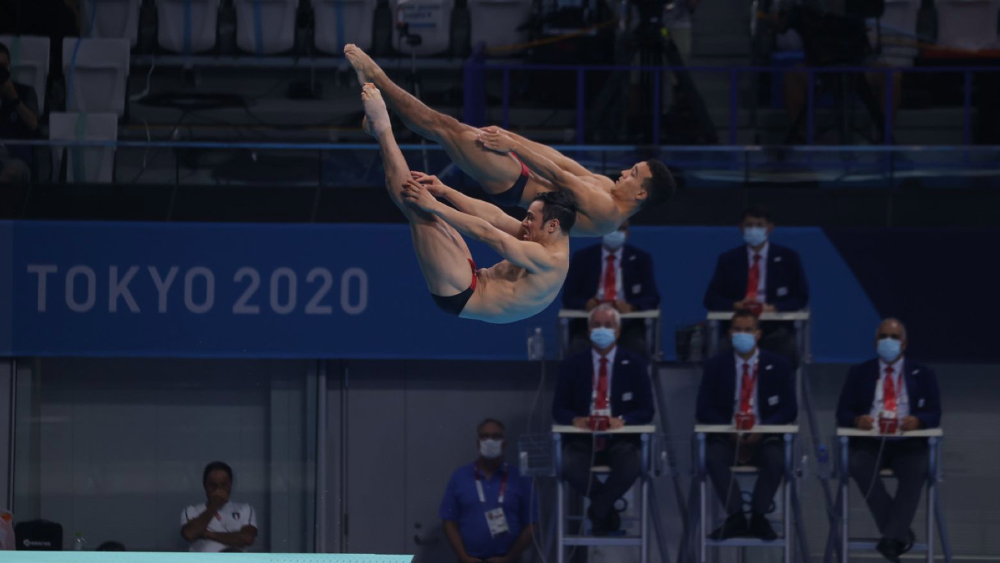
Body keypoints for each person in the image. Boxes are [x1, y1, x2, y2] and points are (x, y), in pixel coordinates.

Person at [343, 44, 675, 237]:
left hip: (512, 183)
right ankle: (377, 124)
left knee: (443, 126)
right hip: (522, 166)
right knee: (446, 128)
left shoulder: (606, 213)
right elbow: (559, 160)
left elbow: (559, 178)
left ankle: (378, 80)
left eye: (633, 174)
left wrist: (513, 147)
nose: (625, 173)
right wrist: (509, 137)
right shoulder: (604, 184)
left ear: (642, 193)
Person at [360, 83, 577, 323]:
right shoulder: (539, 238)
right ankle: (376, 131)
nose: (524, 223)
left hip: (463, 294)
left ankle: (382, 130)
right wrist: (445, 191)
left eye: (530, 218)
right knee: (425, 203)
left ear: (553, 225)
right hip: (473, 276)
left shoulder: (548, 260)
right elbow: (494, 217)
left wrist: (435, 205)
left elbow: (487, 233)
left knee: (416, 207)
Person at [836, 318, 941, 563]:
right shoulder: (860, 372)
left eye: (894, 338)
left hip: (907, 442)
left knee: (917, 468)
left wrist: (919, 420)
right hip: (871, 440)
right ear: (875, 342)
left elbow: (934, 413)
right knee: (858, 464)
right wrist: (857, 420)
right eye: (883, 336)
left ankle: (892, 535)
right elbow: (842, 413)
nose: (888, 342)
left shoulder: (923, 374)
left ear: (903, 344)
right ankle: (897, 533)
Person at [552, 304, 654, 535]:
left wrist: (624, 420)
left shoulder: (635, 364)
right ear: (588, 331)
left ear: (618, 332)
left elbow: (647, 410)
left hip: (618, 440)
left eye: (608, 325)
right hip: (584, 439)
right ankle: (605, 508)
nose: (602, 329)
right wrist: (575, 418)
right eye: (596, 325)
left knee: (632, 466)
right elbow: (558, 409)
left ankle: (598, 511)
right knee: (568, 466)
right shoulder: (572, 364)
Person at [695, 309, 797, 540]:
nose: (742, 335)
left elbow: (790, 409)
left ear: (758, 333)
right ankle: (737, 516)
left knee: (777, 459)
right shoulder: (716, 366)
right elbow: (703, 409)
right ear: (730, 333)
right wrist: (730, 429)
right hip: (727, 435)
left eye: (748, 330)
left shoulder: (779, 365)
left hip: (764, 435)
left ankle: (759, 517)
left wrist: (761, 429)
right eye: (738, 330)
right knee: (711, 457)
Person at [703, 205, 808, 364]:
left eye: (759, 225)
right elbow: (711, 299)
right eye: (749, 225)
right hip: (739, 327)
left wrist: (773, 308)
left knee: (786, 352)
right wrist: (736, 305)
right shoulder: (728, 259)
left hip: (775, 328)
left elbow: (801, 297)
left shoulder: (788, 258)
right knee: (720, 355)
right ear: (741, 227)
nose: (753, 229)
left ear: (770, 228)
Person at [440, 419, 538, 563]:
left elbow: (532, 524)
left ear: (504, 443)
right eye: (484, 436)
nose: (489, 441)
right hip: (469, 559)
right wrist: (464, 557)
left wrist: (509, 558)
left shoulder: (520, 478)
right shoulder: (460, 476)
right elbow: (448, 521)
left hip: (508, 560)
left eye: (495, 436)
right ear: (477, 443)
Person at [561, 221, 661, 355]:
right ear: (601, 232)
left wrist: (632, 307)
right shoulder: (583, 258)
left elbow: (652, 298)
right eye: (612, 228)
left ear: (627, 233)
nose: (616, 233)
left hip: (627, 324)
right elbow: (568, 297)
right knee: (578, 348)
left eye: (621, 229)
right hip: (589, 324)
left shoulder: (640, 259)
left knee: (637, 347)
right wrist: (585, 304)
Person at [180, 461, 258, 552]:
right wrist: (214, 505)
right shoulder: (191, 511)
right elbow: (190, 534)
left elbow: (247, 538)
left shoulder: (245, 509)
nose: (218, 490)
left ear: (231, 485)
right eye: (213, 486)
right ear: (205, 485)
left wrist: (208, 534)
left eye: (223, 485)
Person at [0, 42, 40, 185]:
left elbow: (34, 125)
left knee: (12, 172)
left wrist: (14, 98)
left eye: (2, 67)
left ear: (9, 66)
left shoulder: (25, 92)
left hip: (16, 158)